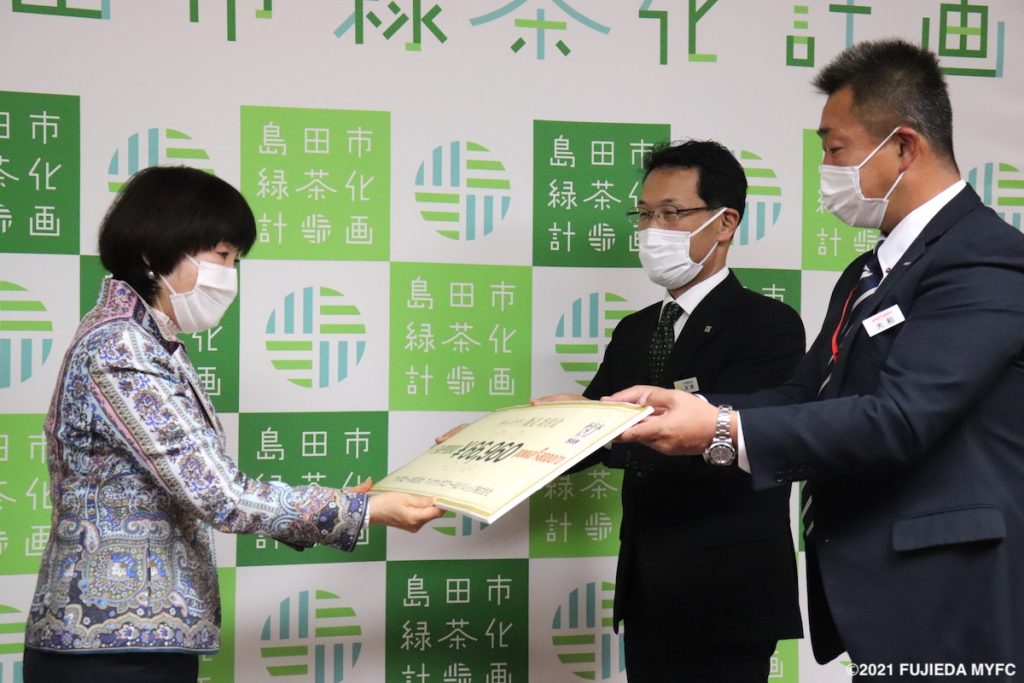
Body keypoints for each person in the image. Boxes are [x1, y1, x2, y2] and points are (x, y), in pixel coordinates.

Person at [608, 39, 1024, 677]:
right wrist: (679, 409)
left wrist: (718, 429)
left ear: (903, 147)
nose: (826, 169)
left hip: (951, 590)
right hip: (880, 586)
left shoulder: (983, 257)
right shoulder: (868, 272)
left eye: (835, 149)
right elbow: (805, 395)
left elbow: (901, 417)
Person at [22, 166, 443, 683]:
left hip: (133, 638)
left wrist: (347, 505)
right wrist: (362, 510)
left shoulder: (145, 340)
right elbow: (219, 494)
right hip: (111, 646)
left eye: (235, 260)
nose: (229, 275)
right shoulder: (120, 347)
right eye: (221, 255)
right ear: (154, 251)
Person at [442, 140, 807, 681]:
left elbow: (732, 438)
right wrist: (491, 450)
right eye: (644, 214)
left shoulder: (768, 325)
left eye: (672, 213)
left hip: (727, 587)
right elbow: (586, 429)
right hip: (647, 582)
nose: (653, 229)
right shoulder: (636, 329)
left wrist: (612, 426)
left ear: (725, 223)